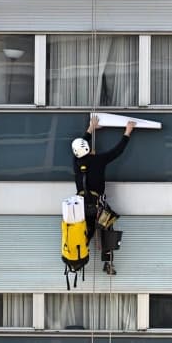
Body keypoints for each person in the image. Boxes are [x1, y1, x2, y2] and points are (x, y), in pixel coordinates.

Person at [72, 116, 137, 275]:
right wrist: (127, 131)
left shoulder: (76, 161)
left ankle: (75, 261)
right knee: (107, 230)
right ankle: (108, 263)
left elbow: (80, 144)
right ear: (88, 149)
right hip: (97, 207)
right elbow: (117, 151)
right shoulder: (98, 160)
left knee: (83, 234)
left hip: (81, 208)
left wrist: (90, 128)